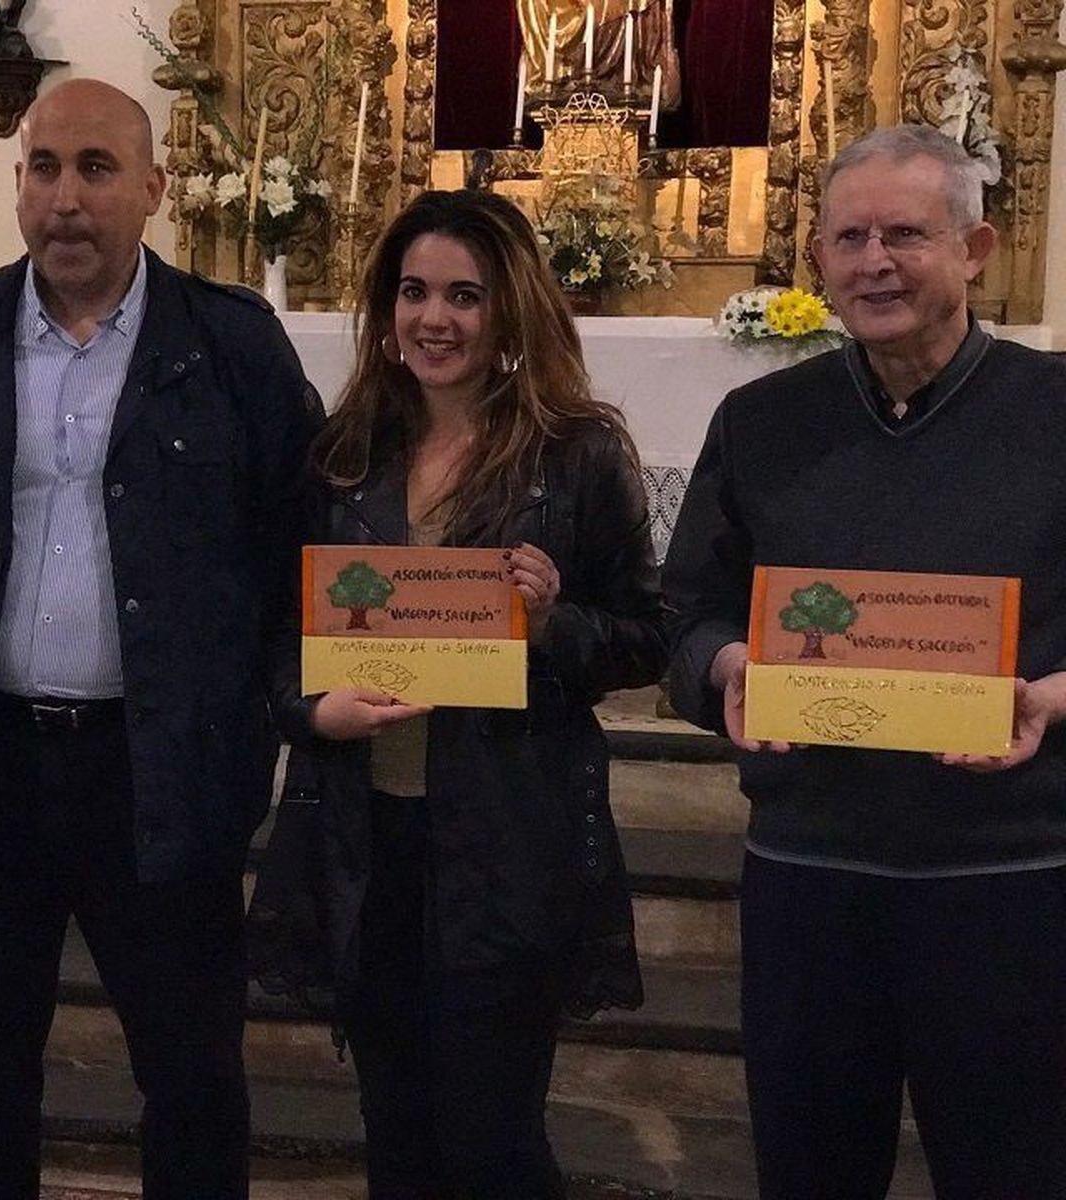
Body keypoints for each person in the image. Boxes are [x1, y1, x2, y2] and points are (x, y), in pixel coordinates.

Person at [0, 78, 321, 1200]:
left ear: (155, 190)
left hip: (158, 772)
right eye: (44, 167)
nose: (66, 199)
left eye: (97, 169)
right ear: (19, 183)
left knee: (193, 1079)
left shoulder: (233, 346)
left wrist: (259, 703)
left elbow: (294, 541)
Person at [663, 123, 1066, 1196]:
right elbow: (683, 615)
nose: (873, 261)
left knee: (1012, 1171)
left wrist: (1052, 697)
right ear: (819, 262)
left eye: (904, 234)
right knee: (807, 1170)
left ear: (974, 251)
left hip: (1009, 881)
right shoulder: (759, 422)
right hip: (809, 876)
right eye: (848, 237)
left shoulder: (1057, 412)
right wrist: (726, 669)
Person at [251, 188, 665, 1199]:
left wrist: (554, 620)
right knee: (393, 1129)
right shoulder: (341, 455)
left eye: (464, 296)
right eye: (414, 292)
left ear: (509, 310)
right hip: (365, 835)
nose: (434, 318)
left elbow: (647, 637)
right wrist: (311, 711)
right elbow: (273, 634)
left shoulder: (578, 452)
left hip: (504, 837)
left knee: (492, 1140)